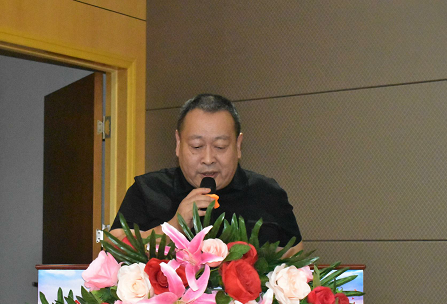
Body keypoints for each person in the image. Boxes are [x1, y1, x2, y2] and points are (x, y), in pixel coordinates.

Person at [109, 94, 302, 253]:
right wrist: (175, 226)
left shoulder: (267, 193)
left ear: (238, 145)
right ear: (178, 143)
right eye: (197, 146)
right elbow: (114, 249)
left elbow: (296, 262)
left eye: (220, 146)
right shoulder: (147, 190)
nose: (208, 159)